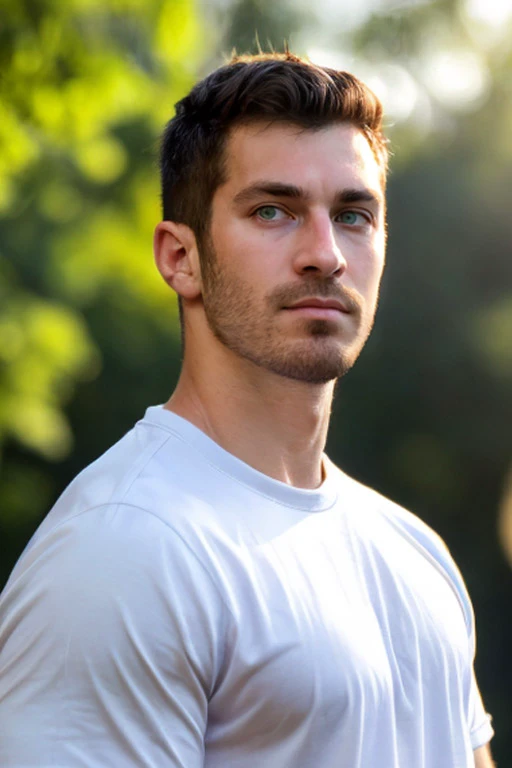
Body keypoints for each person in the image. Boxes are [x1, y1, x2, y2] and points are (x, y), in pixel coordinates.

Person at [0, 52, 495, 768]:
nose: (325, 254)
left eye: (354, 215)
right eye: (273, 211)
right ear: (180, 258)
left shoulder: (416, 553)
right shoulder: (122, 553)